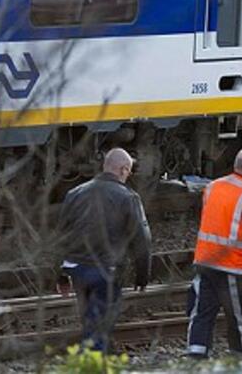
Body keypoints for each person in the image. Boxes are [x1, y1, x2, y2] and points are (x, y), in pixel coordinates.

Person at [56, 148, 152, 353]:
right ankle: (93, 362)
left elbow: (60, 236)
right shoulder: (128, 197)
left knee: (92, 322)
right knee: (98, 327)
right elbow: (142, 240)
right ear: (124, 170)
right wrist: (142, 276)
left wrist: (60, 275)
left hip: (76, 268)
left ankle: (102, 356)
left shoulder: (75, 193)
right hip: (105, 271)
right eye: (129, 172)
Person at [186, 148, 242, 358]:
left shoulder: (212, 187)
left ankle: (196, 356)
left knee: (202, 313)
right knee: (240, 318)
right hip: (233, 267)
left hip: (205, 262)